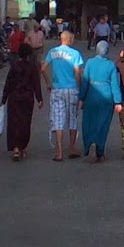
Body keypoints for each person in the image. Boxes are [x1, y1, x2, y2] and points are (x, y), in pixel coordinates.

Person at [44, 30, 85, 161]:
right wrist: (80, 87)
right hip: (72, 89)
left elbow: (43, 68)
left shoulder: (53, 52)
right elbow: (77, 72)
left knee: (58, 120)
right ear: (69, 40)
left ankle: (60, 152)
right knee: (72, 119)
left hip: (57, 89)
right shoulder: (75, 53)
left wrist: (48, 83)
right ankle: (72, 148)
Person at [79, 40, 123, 162]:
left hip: (91, 95)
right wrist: (118, 101)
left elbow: (85, 82)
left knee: (89, 122)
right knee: (103, 124)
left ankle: (89, 145)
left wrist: (81, 98)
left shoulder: (90, 62)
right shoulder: (111, 65)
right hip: (106, 97)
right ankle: (100, 150)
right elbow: (115, 85)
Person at [0, 44, 44, 161]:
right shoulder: (32, 67)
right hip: (27, 98)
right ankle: (22, 147)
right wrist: (39, 99)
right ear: (29, 55)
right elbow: (36, 84)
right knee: (25, 122)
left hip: (14, 97)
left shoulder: (14, 66)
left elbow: (8, 83)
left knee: (14, 122)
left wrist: (4, 99)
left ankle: (15, 148)